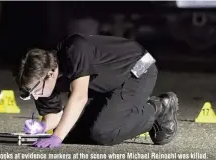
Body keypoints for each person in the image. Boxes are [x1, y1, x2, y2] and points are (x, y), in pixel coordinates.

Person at [15, 34, 179, 148]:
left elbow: (79, 97)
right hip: (107, 83)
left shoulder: (74, 50)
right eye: (27, 93)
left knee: (103, 133)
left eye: (34, 90)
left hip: (140, 67)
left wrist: (57, 136)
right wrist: (41, 127)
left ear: (50, 75)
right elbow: (54, 115)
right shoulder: (42, 78)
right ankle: (128, 113)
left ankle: (159, 107)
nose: (34, 96)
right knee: (74, 133)